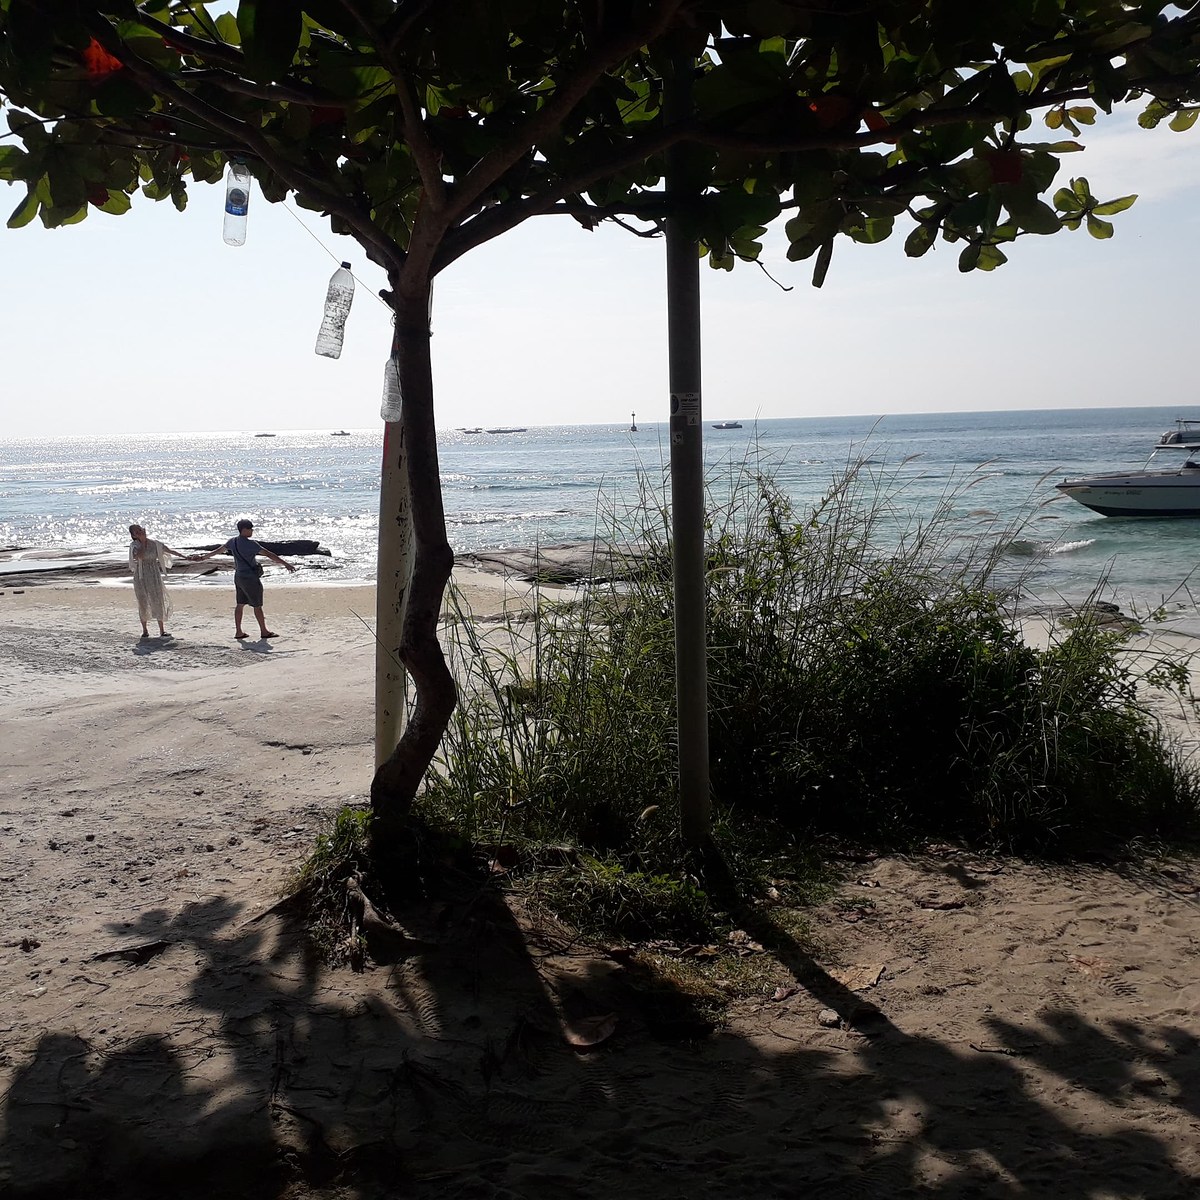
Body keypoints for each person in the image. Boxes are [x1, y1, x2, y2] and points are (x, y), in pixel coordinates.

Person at [191, 519, 296, 640]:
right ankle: (264, 631)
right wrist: (286, 564)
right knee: (257, 605)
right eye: (250, 528)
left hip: (239, 576)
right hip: (250, 577)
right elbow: (269, 554)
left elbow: (217, 551)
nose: (252, 531)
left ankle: (239, 632)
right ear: (244, 530)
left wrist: (202, 557)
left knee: (240, 604)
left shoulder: (232, 541)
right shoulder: (251, 544)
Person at [128, 524, 192, 639]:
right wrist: (142, 542)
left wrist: (185, 557)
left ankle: (162, 630)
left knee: (158, 599)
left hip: (154, 574)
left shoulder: (155, 544)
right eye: (136, 531)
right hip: (141, 576)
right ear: (133, 535)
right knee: (143, 601)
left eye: (140, 529)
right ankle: (145, 630)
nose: (140, 531)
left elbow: (169, 550)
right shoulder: (134, 545)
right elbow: (139, 557)